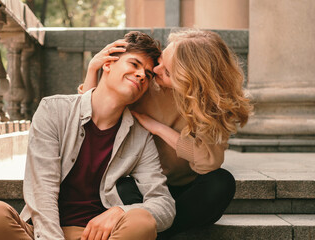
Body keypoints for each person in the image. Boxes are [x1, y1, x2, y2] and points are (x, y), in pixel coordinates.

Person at [0, 31, 175, 240]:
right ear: (107, 64)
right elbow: (42, 190)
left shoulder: (140, 137)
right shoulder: (53, 110)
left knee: (141, 222)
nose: (142, 75)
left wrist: (121, 212)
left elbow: (164, 204)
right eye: (134, 64)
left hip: (97, 236)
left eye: (148, 74)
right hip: (43, 233)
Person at [79, 29, 253, 239]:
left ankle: (156, 232)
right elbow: (92, 111)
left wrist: (158, 128)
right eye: (160, 61)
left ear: (190, 81)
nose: (155, 70)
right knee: (120, 185)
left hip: (182, 190)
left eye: (168, 72)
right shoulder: (147, 82)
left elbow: (207, 163)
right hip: (142, 187)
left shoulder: (212, 106)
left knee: (221, 183)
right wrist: (93, 69)